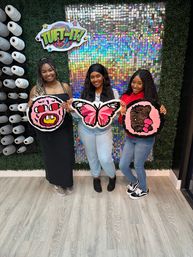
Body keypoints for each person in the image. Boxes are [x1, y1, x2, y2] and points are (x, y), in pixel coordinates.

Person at [28, 57, 74, 196]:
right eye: (44, 71)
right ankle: (56, 182)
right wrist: (30, 105)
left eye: (50, 70)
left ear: (55, 70)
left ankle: (67, 181)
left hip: (64, 126)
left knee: (65, 154)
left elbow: (71, 107)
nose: (48, 74)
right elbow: (31, 110)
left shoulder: (64, 86)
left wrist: (68, 107)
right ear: (40, 74)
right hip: (45, 130)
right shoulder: (36, 89)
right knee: (51, 155)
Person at [119, 69, 166, 199]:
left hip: (145, 139)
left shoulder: (150, 99)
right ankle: (135, 182)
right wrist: (121, 113)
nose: (135, 86)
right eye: (133, 82)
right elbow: (121, 122)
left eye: (140, 83)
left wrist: (161, 111)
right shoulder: (124, 97)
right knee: (123, 165)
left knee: (138, 164)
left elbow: (157, 119)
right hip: (130, 138)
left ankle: (144, 188)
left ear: (146, 84)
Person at [77, 63, 118, 193]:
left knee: (105, 158)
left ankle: (112, 176)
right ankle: (96, 177)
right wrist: (70, 110)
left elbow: (114, 117)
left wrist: (120, 111)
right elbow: (79, 116)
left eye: (98, 76)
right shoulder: (84, 93)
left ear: (103, 76)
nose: (95, 79)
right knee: (92, 155)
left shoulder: (114, 93)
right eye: (92, 77)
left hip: (104, 131)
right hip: (85, 130)